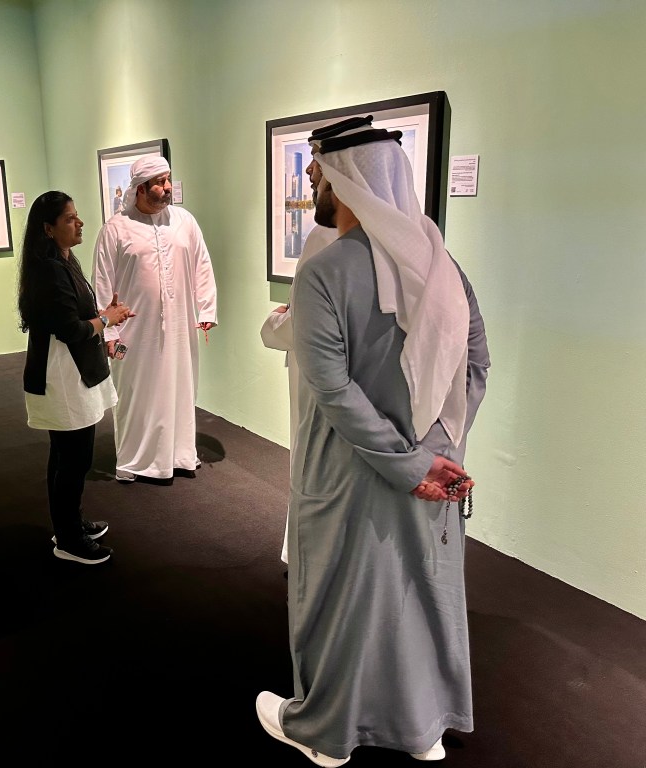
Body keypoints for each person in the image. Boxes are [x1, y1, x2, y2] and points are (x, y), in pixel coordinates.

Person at [256, 115, 490, 765]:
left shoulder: (325, 272)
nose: (313, 187)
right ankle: (423, 729)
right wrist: (441, 448)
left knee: (341, 595)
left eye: (319, 176)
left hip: (345, 466)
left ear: (345, 181)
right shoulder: (445, 267)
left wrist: (406, 462)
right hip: (434, 468)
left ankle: (327, 734)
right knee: (419, 591)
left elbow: (331, 388)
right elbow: (476, 365)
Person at [19, 191, 134, 565]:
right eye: (70, 218)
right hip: (63, 376)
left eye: (77, 215)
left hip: (70, 371)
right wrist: (107, 320)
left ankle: (69, 523)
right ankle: (69, 539)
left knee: (67, 456)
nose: (80, 222)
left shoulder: (62, 262)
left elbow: (73, 316)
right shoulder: (51, 270)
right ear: (48, 229)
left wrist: (103, 315)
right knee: (72, 459)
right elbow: (71, 329)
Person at [93, 156, 218, 483]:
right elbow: (102, 283)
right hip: (130, 333)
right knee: (134, 392)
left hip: (180, 327)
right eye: (160, 183)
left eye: (168, 180)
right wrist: (109, 333)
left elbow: (202, 265)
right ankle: (134, 460)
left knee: (180, 388)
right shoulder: (115, 229)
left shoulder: (184, 221)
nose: (167, 187)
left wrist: (206, 309)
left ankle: (178, 455)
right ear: (140, 188)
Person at [260, 188, 338, 563]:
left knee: (314, 458)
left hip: (320, 372)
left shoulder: (325, 237)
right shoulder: (414, 238)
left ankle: (311, 554)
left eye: (318, 166)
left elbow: (304, 321)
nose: (309, 173)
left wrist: (272, 326)